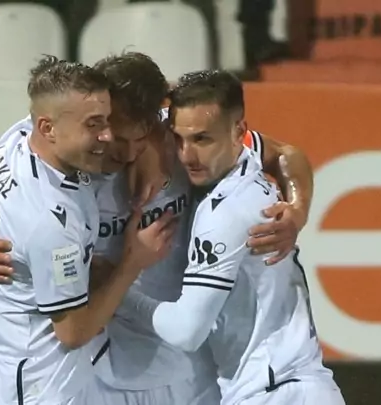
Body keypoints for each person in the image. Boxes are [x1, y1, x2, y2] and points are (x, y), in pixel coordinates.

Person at [0, 53, 316, 405]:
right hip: (103, 370)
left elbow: (286, 155)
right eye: (116, 137)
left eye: (140, 139)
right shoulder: (67, 171)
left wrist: (297, 211)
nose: (128, 152)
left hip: (191, 368)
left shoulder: (179, 143)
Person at [119, 69, 345, 405]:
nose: (186, 155)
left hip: (274, 391)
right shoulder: (233, 164)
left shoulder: (225, 212)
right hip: (289, 383)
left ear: (239, 132)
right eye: (178, 139)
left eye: (202, 140)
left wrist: (116, 290)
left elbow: (186, 330)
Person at [0, 55, 176, 405]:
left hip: (23, 370)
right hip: (45, 387)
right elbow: (73, 332)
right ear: (48, 128)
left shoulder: (18, 141)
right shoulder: (52, 224)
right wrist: (132, 262)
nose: (106, 137)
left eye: (106, 122)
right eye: (95, 125)